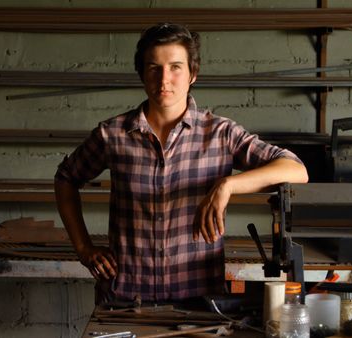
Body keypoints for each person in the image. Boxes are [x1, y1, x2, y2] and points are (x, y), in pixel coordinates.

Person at [54, 23, 308, 304]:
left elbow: (296, 170)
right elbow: (66, 178)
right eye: (154, 68)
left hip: (199, 300)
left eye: (175, 67)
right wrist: (83, 248)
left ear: (193, 74)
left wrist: (228, 185)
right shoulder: (112, 134)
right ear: (142, 74)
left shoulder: (220, 134)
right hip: (125, 298)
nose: (164, 79)